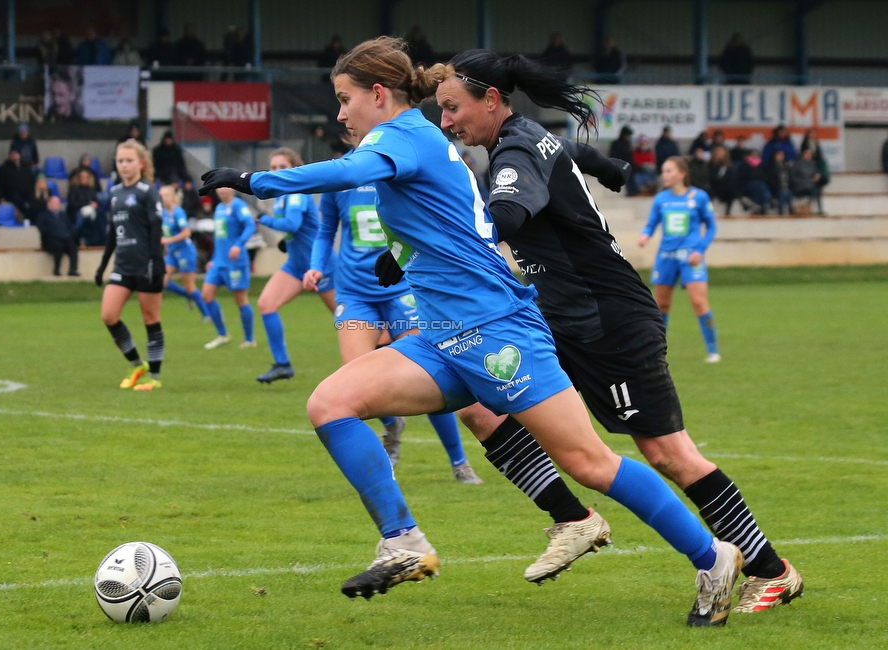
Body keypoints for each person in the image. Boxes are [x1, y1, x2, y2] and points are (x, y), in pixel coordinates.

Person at [199, 36, 742, 626]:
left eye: (345, 99)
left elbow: (351, 170)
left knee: (589, 463)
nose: (340, 113)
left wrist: (255, 180)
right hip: (440, 335)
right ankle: (403, 541)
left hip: (497, 329)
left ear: (378, 94)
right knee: (331, 401)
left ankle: (712, 556)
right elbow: (444, 219)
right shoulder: (413, 140)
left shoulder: (398, 136)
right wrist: (402, 256)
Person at [431, 47, 800, 615]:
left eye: (453, 108)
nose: (447, 121)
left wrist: (439, 241)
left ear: (492, 100)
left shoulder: (516, 152)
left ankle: (772, 571)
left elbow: (508, 214)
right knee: (477, 405)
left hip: (607, 322)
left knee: (669, 455)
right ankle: (572, 518)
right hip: (558, 319)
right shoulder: (525, 136)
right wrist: (605, 166)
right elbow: (566, 152)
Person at [305, 176, 483, 483]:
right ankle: (392, 425)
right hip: (355, 292)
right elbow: (325, 231)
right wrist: (317, 264)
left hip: (401, 286)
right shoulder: (339, 176)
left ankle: (459, 461)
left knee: (429, 372)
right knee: (356, 377)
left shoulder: (398, 168)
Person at [252, 147, 336, 383]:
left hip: (321, 265)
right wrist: (287, 245)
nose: (277, 171)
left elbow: (291, 224)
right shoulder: (281, 196)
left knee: (348, 321)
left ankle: (384, 352)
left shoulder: (297, 192)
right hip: (297, 264)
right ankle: (282, 364)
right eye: (273, 167)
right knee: (266, 303)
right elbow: (295, 232)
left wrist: (263, 219)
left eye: (283, 167)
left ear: (294, 169)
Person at [94, 139, 165, 391]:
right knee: (109, 315)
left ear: (141, 164)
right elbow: (112, 232)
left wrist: (157, 263)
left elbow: (156, 229)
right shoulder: (114, 193)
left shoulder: (148, 191)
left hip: (146, 264)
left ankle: (154, 377)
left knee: (150, 318)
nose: (124, 165)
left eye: (129, 161)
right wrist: (103, 265)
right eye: (120, 161)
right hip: (122, 265)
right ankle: (137, 364)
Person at [639, 157, 720, 362]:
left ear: (682, 174)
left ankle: (713, 350)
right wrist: (645, 235)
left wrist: (700, 250)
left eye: (668, 171)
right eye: (663, 171)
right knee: (661, 306)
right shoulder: (661, 199)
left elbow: (711, 227)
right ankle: (658, 351)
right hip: (666, 257)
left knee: (699, 302)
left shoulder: (699, 197)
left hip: (690, 257)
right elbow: (651, 224)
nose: (664, 175)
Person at [201, 186, 257, 350]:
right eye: (219, 187)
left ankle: (249, 339)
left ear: (232, 188)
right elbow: (220, 238)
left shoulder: (238, 206)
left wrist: (238, 245)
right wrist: (213, 258)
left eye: (225, 186)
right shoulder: (219, 208)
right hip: (219, 262)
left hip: (236, 262)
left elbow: (250, 226)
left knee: (240, 299)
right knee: (206, 295)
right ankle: (222, 334)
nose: (221, 190)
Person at [157, 184, 211, 323]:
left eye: (166, 195)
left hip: (184, 251)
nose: (163, 198)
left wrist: (168, 240)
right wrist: (168, 244)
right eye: (161, 195)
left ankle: (206, 314)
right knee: (161, 281)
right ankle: (189, 295)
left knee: (189, 285)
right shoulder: (164, 212)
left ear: (173, 197)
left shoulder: (177, 212)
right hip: (172, 252)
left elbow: (187, 232)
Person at [36, 195, 79, 276]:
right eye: (56, 203)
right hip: (50, 240)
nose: (58, 204)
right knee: (58, 246)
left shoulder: (63, 215)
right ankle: (56, 270)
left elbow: (70, 227)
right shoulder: (43, 215)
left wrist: (69, 234)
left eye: (58, 203)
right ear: (49, 204)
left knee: (72, 246)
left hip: (65, 238)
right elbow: (43, 229)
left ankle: (73, 270)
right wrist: (54, 233)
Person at [0, 150, 35, 221]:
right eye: (13, 154)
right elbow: (0, 185)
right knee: (18, 201)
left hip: (26, 193)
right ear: (9, 156)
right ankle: (26, 219)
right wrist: (1, 197)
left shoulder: (25, 167)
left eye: (16, 154)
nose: (15, 156)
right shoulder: (4, 168)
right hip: (11, 194)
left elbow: (31, 181)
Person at [68, 168, 99, 240]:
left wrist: (95, 205)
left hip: (90, 211)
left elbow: (96, 201)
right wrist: (87, 204)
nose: (83, 179)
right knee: (81, 215)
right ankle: (76, 235)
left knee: (99, 215)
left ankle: (97, 239)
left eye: (85, 177)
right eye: (82, 177)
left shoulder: (91, 190)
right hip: (76, 211)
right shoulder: (74, 190)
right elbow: (72, 203)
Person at [737, 151, 772, 215]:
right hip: (747, 184)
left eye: (756, 154)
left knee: (761, 187)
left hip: (760, 185)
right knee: (760, 187)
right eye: (753, 154)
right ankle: (765, 202)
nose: (755, 156)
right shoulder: (745, 164)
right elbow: (743, 177)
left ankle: (759, 206)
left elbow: (764, 176)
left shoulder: (761, 164)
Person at [791, 147, 823, 214]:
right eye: (807, 154)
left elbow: (815, 172)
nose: (809, 155)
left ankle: (818, 210)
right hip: (800, 186)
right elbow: (793, 177)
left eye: (810, 154)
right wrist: (805, 182)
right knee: (812, 190)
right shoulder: (797, 164)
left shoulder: (812, 164)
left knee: (818, 189)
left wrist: (817, 175)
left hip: (810, 185)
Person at [708, 145, 739, 215]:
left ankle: (728, 211)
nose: (719, 153)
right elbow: (711, 178)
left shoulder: (729, 166)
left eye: (721, 151)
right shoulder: (710, 165)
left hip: (726, 188)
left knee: (733, 190)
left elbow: (732, 179)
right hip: (714, 188)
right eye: (718, 151)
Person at [608, 125, 635, 194]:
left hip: (628, 165)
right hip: (619, 165)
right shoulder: (616, 144)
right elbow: (613, 155)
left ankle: (632, 191)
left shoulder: (627, 143)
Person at [765, 150, 793, 215]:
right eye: (779, 155)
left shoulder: (786, 167)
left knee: (789, 193)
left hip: (787, 188)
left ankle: (790, 211)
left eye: (782, 155)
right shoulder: (770, 167)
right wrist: (778, 186)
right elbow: (770, 180)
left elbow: (791, 179)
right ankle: (780, 212)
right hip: (775, 189)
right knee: (784, 193)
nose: (781, 156)